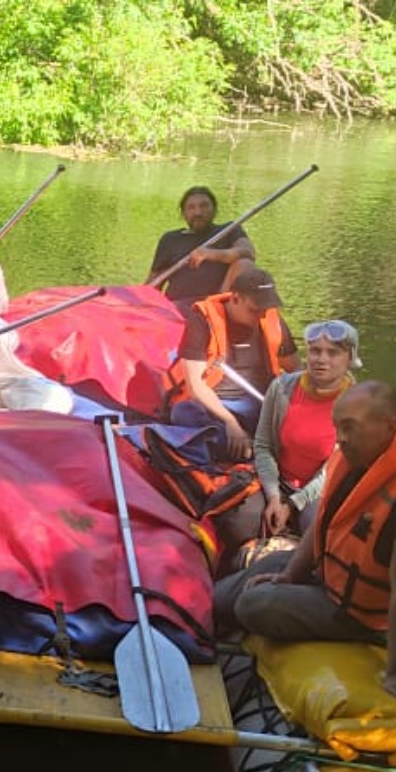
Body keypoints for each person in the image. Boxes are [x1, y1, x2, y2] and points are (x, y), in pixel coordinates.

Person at [213, 382, 396, 722]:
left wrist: (395, 674)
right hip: (335, 576)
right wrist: (289, 577)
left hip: (368, 616)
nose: (341, 438)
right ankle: (201, 619)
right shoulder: (362, 453)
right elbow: (325, 527)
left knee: (254, 604)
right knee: (258, 573)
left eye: (350, 428)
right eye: (338, 427)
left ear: (388, 426)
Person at [164, 266, 299, 461]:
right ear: (235, 298)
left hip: (261, 406)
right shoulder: (203, 320)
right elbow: (195, 385)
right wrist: (231, 423)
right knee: (183, 413)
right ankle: (247, 447)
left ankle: (245, 447)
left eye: (265, 309)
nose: (261, 316)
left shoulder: (271, 320)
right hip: (217, 407)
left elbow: (296, 370)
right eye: (255, 309)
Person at [253, 320, 361, 536]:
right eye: (315, 351)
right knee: (241, 524)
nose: (321, 359)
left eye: (333, 353)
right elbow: (263, 445)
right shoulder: (281, 388)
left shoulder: (357, 405)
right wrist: (274, 496)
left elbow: (333, 470)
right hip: (278, 482)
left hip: (320, 490)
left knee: (317, 531)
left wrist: (292, 505)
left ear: (350, 359)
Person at [148, 186, 257, 306]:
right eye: (191, 207)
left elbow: (249, 253)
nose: (198, 212)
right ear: (183, 213)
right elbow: (153, 283)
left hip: (215, 306)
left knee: (244, 264)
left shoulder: (228, 230)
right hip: (178, 307)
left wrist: (211, 254)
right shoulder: (170, 239)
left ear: (214, 210)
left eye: (204, 206)